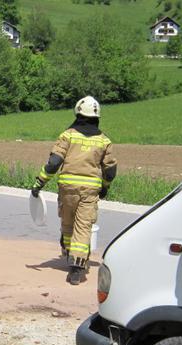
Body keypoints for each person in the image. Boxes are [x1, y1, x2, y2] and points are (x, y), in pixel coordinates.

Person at [31, 96, 117, 285]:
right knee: (83, 227)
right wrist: (105, 187)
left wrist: (39, 183)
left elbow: (54, 163)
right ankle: (77, 269)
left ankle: (69, 251)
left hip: (67, 190)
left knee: (68, 224)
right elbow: (110, 170)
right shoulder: (104, 141)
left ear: (78, 113)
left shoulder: (68, 136)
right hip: (90, 191)